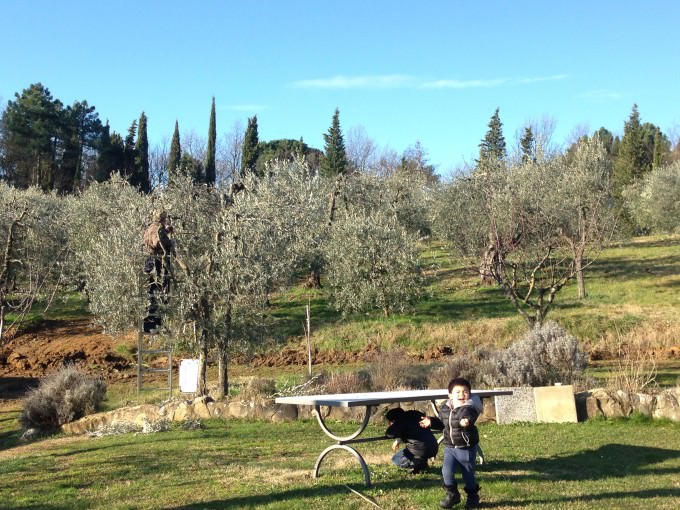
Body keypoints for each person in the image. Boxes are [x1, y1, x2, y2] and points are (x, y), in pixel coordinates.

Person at [420, 377, 481, 509]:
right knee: (446, 472)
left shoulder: (469, 407)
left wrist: (466, 421)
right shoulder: (445, 408)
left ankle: (473, 497)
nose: (461, 395)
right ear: (450, 395)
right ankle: (453, 494)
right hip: (450, 448)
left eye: (465, 392)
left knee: (468, 475)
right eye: (457, 392)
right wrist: (431, 422)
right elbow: (442, 423)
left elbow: (470, 415)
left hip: (466, 448)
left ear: (469, 394)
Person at [143, 210, 175, 333]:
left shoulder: (150, 228)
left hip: (151, 262)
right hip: (158, 262)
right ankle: (155, 323)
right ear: (162, 219)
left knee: (153, 291)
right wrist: (170, 243)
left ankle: (153, 321)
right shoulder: (157, 229)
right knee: (159, 291)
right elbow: (157, 242)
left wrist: (166, 231)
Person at [384, 407, 438, 474]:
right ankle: (421, 462)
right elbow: (413, 430)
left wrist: (393, 427)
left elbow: (390, 434)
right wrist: (399, 440)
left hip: (420, 449)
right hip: (434, 446)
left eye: (390, 422)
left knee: (396, 459)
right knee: (414, 451)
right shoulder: (415, 416)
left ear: (393, 421)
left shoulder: (400, 422)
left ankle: (415, 464)